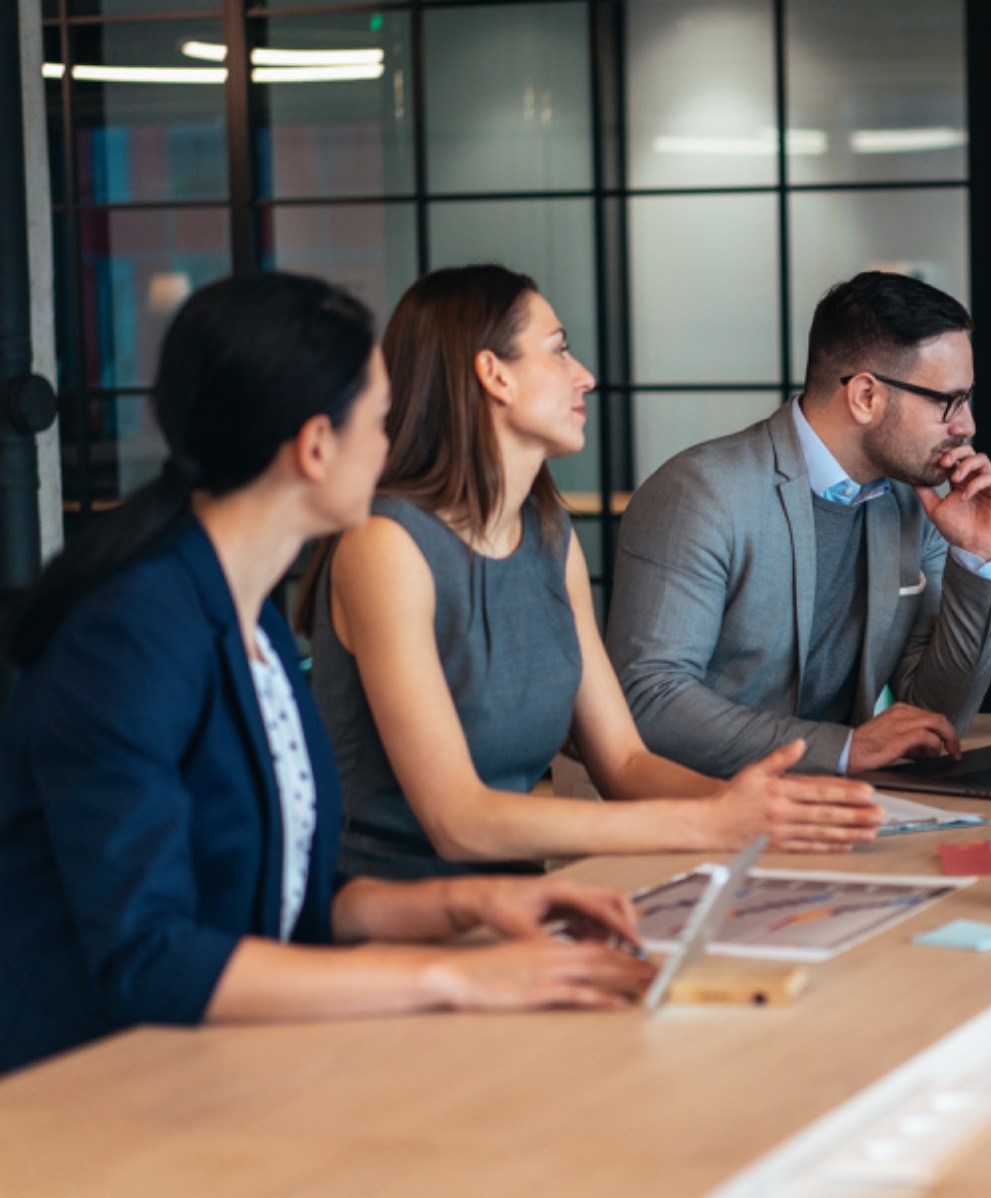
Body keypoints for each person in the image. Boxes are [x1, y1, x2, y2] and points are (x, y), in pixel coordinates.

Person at [0, 274, 654, 1075]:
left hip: (231, 1063)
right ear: (314, 447)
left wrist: (473, 903)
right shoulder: (130, 637)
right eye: (379, 421)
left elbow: (291, 901)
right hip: (91, 1089)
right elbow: (152, 957)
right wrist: (453, 975)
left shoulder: (255, 621)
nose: (394, 445)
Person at [306, 266, 882, 881]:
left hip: (519, 897)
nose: (585, 376)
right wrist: (704, 823)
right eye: (558, 351)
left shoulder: (551, 536)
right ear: (494, 374)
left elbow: (626, 761)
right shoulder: (385, 544)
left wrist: (758, 806)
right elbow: (457, 819)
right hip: (384, 910)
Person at [606, 271, 991, 779]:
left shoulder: (914, 504)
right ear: (865, 396)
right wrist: (843, 750)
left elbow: (937, 716)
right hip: (697, 806)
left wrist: (977, 555)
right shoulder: (701, 494)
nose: (967, 425)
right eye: (947, 402)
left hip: (831, 807)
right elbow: (649, 700)